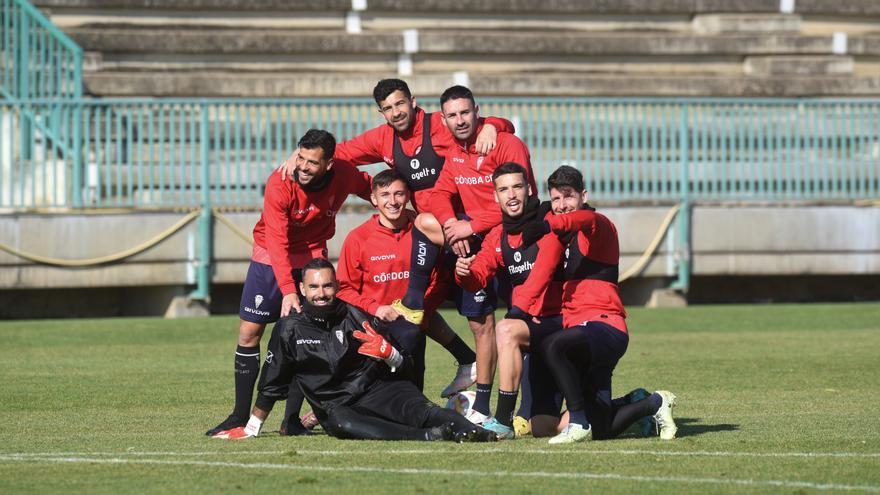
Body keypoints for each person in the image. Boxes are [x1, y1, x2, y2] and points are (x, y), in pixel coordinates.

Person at [213, 258, 497, 443]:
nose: (321, 293)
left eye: (327, 286)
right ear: (302, 288)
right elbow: (272, 383)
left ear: (336, 286)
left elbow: (404, 365)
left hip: (376, 388)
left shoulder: (354, 314)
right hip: (336, 405)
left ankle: (477, 432)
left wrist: (390, 354)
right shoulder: (289, 328)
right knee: (341, 424)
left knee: (423, 410)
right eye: (314, 287)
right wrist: (252, 427)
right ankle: (428, 436)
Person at [206, 129, 372, 438]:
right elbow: (277, 242)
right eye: (300, 158)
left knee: (305, 336)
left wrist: (404, 208)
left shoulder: (344, 173)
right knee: (249, 333)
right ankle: (239, 416)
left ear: (329, 164)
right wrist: (288, 290)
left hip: (313, 255)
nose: (303, 167)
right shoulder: (279, 182)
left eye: (312, 162)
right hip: (271, 257)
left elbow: (371, 189)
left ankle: (290, 421)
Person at [392, 85, 538, 425]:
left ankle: (528, 411)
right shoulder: (454, 151)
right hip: (478, 246)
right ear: (444, 120)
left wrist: (469, 227)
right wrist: (452, 227)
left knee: (524, 327)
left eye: (465, 112)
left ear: (477, 112)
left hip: (516, 241)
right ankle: (483, 407)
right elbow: (440, 193)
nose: (460, 120)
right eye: (452, 115)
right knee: (480, 324)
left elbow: (522, 202)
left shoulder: (505, 143)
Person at [512, 165, 678, 444]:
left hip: (605, 327)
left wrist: (546, 224)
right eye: (555, 199)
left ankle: (577, 421)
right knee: (601, 427)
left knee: (553, 345)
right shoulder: (559, 238)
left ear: (584, 196)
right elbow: (539, 275)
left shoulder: (598, 225)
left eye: (568, 196)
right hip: (580, 335)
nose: (562, 205)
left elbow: (581, 219)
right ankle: (654, 403)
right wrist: (517, 311)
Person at [336, 169, 478, 394]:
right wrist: (377, 309)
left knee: (410, 392)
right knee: (363, 394)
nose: (392, 201)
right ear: (373, 199)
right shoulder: (358, 238)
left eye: (399, 194)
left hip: (412, 327)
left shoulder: (424, 230)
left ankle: (464, 362)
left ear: (408, 196)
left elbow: (440, 281)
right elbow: (344, 289)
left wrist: (418, 312)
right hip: (373, 324)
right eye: (385, 195)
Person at [453, 162, 565, 439]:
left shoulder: (548, 223)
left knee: (505, 328)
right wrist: (464, 273)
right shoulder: (499, 235)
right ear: (495, 196)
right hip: (533, 331)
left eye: (517, 187)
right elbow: (479, 275)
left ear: (529, 189)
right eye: (503, 190)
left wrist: (517, 311)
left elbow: (542, 275)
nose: (511, 195)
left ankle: (501, 420)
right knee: (541, 427)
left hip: (563, 322)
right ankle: (641, 407)